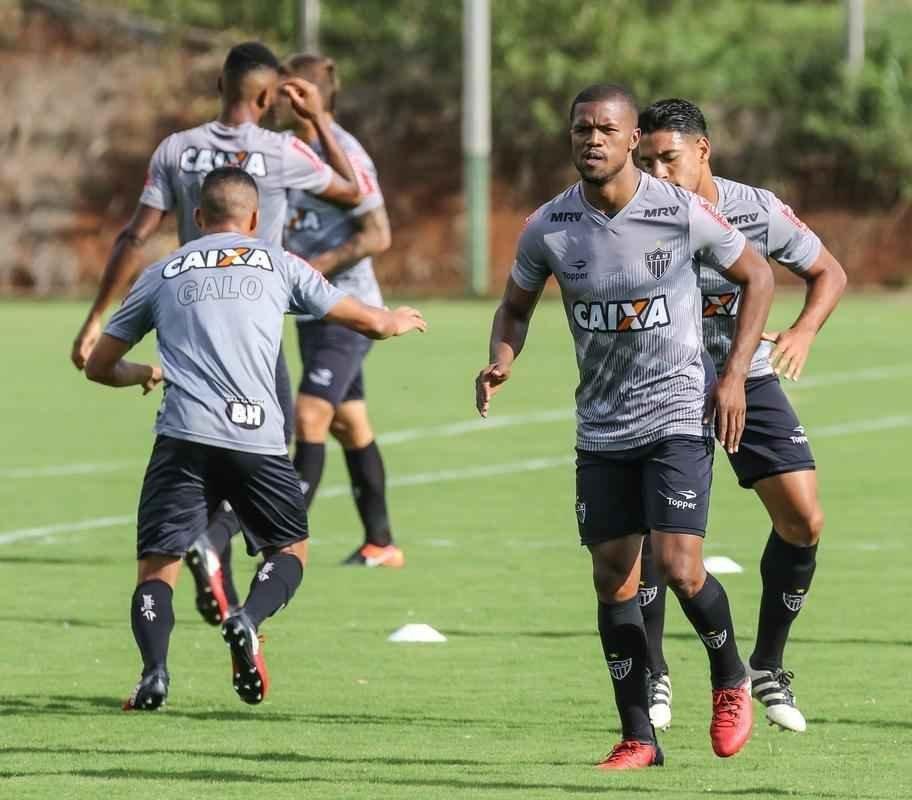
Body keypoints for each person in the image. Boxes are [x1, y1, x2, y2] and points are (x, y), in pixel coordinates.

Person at [476, 84, 775, 770]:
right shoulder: (549, 226)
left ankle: (730, 677)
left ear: (631, 137)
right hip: (602, 426)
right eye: (581, 129)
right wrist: (500, 358)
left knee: (676, 565)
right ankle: (639, 735)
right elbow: (515, 307)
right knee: (613, 578)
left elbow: (757, 276)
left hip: (675, 410)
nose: (592, 140)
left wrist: (731, 375)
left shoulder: (679, 212)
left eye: (605, 129)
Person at [84, 167, 426, 710]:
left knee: (157, 567)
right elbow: (367, 322)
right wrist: (397, 319)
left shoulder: (161, 271)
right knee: (289, 547)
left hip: (184, 436)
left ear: (197, 219)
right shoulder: (280, 263)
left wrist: (145, 372)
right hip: (257, 441)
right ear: (255, 219)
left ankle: (154, 675)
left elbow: (100, 365)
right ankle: (248, 616)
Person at [70, 41, 365, 626]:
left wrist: (96, 316)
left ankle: (210, 559)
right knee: (258, 455)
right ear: (266, 96)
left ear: (219, 88)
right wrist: (318, 120)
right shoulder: (280, 151)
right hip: (255, 335)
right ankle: (217, 543)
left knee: (197, 455)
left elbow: (134, 236)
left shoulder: (178, 150)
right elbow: (354, 190)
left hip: (187, 323)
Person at [637, 98, 847, 733]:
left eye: (668, 159)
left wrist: (805, 331)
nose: (657, 174)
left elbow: (826, 271)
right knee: (653, 535)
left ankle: (767, 667)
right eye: (645, 161)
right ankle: (653, 673)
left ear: (703, 151)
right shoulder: (636, 213)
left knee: (804, 519)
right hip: (664, 388)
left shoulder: (753, 209)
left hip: (748, 381)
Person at [280, 53, 402, 567]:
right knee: (349, 423)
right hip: (312, 313)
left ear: (309, 97)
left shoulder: (345, 153)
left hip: (348, 309)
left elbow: (378, 233)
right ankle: (381, 543)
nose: (278, 100)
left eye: (288, 91)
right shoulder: (287, 150)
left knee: (309, 412)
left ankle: (285, 537)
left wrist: (316, 267)